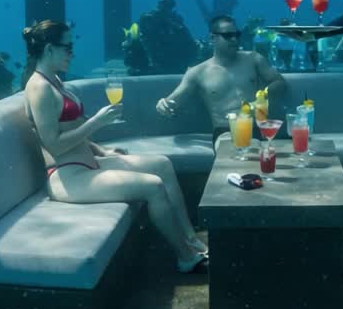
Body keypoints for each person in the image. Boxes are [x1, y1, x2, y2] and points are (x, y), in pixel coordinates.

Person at [22, 20, 208, 273]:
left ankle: (191, 239)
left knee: (162, 164)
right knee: (152, 187)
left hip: (86, 163)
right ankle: (185, 256)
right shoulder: (40, 88)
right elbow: (53, 145)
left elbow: (70, 128)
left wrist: (103, 151)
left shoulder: (53, 80)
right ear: (48, 49)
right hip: (67, 175)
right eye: (67, 47)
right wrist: (97, 122)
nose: (71, 53)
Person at [156, 15, 288, 139]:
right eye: (228, 36)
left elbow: (279, 82)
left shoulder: (253, 59)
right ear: (212, 38)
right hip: (225, 132)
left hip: (257, 128)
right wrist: (163, 104)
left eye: (236, 35)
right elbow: (173, 101)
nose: (234, 39)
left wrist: (262, 97)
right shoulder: (198, 72)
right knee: (242, 153)